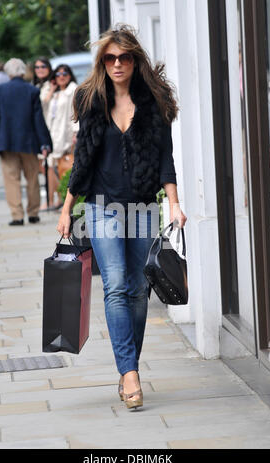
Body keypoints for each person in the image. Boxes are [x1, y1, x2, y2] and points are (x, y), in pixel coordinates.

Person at [57, 25, 187, 410]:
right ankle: (130, 372)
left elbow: (166, 159)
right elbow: (83, 161)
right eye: (110, 58)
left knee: (138, 291)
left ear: (134, 61)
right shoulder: (91, 101)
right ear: (103, 62)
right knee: (114, 285)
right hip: (101, 206)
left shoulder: (154, 102)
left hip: (143, 207)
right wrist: (67, 209)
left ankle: (126, 366)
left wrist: (174, 202)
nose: (117, 64)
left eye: (124, 57)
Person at [0, 58, 52, 226]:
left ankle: (17, 215)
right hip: (29, 141)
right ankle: (33, 213)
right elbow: (38, 119)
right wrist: (45, 142)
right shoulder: (31, 90)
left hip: (6, 141)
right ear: (23, 72)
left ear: (8, 73)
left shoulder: (0, 90)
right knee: (32, 178)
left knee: (11, 179)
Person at [43, 64, 78, 211]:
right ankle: (61, 201)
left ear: (69, 75)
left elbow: (75, 112)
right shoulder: (57, 93)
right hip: (54, 134)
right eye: (58, 74)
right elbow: (44, 107)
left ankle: (68, 203)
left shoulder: (72, 90)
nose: (61, 77)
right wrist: (51, 89)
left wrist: (76, 132)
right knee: (55, 167)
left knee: (66, 168)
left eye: (64, 74)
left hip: (66, 135)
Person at [33, 57, 55, 208]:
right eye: (37, 67)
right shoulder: (37, 85)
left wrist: (52, 91)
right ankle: (54, 198)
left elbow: (42, 104)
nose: (40, 69)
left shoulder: (51, 84)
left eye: (43, 66)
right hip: (40, 129)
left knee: (50, 165)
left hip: (51, 129)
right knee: (44, 166)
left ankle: (52, 200)